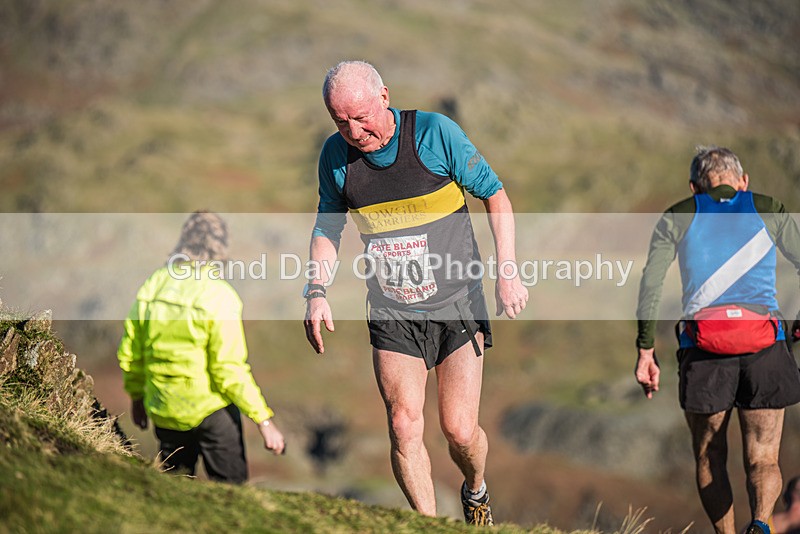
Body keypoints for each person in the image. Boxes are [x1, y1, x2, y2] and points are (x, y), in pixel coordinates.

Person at [303, 60, 528, 525]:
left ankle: (476, 489)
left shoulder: (434, 134)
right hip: (392, 311)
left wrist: (507, 271)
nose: (353, 130)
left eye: (361, 116)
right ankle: (431, 525)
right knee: (404, 424)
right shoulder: (335, 157)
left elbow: (496, 196)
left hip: (457, 302)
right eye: (340, 121)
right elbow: (328, 224)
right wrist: (316, 290)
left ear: (384, 96)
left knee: (459, 430)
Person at [635, 146, 800, 534]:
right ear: (743, 182)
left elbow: (651, 282)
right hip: (764, 347)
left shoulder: (679, 214)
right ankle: (760, 526)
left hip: (705, 352)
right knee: (764, 457)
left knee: (710, 455)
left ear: (694, 187)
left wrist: (646, 349)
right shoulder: (767, 206)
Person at [118, 211, 285, 484]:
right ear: (221, 247)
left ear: (183, 241)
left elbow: (131, 350)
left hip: (163, 407)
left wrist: (137, 398)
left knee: (176, 487)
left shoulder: (154, 285)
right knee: (233, 495)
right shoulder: (219, 295)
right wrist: (264, 421)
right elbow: (229, 370)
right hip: (211, 410)